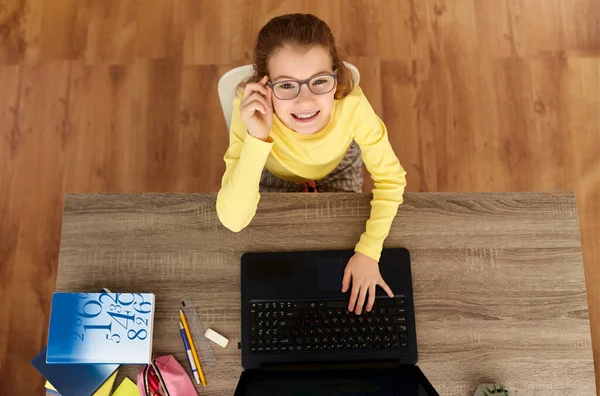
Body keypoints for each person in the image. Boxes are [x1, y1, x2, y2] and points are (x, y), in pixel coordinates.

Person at [217, 14, 407, 315]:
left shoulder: (353, 106)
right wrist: (257, 137)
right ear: (263, 85)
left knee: (337, 261)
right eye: (287, 85)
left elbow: (392, 180)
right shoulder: (249, 109)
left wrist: (369, 251)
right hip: (270, 169)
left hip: (338, 169)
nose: (305, 102)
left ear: (336, 77)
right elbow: (233, 220)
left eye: (319, 81)